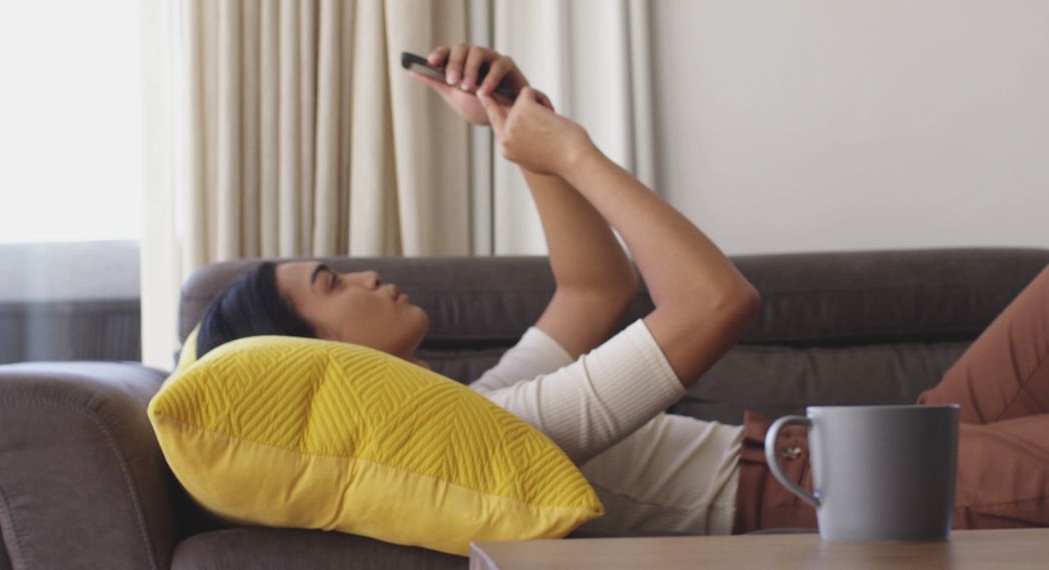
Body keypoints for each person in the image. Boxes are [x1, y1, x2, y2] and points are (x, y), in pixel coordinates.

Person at [195, 44, 1049, 535]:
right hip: (829, 499)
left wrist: (514, 123)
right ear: (316, 354)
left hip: (877, 452)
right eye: (331, 282)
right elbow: (718, 301)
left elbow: (594, 287)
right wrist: (571, 153)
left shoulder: (479, 406)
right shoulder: (502, 435)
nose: (369, 273)